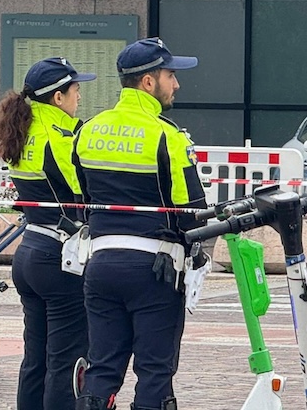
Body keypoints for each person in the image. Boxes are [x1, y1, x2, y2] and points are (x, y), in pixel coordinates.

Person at [72, 38, 208, 410]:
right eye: (170, 75)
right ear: (149, 82)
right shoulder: (168, 136)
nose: (176, 84)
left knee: (101, 369)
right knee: (154, 373)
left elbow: (83, 198)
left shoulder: (88, 131)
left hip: (99, 265)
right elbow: (193, 210)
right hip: (155, 270)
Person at [0, 57, 96, 410]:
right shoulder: (62, 138)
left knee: (35, 360)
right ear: (58, 98)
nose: (80, 97)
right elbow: (87, 189)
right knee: (66, 363)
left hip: (30, 250)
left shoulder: (21, 131)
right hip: (60, 257)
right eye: (76, 90)